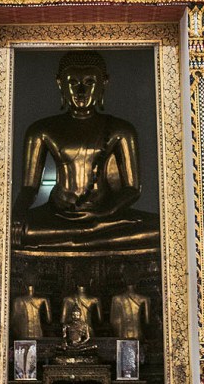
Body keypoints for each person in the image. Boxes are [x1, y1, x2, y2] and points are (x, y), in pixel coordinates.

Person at [11, 50, 160, 251]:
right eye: (73, 83)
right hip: (58, 217)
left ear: (104, 84)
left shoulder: (121, 130)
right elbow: (29, 188)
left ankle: (80, 238)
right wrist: (17, 216)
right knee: (21, 232)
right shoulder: (41, 130)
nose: (81, 91)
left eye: (90, 82)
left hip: (106, 216)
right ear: (60, 84)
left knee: (160, 229)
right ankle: (81, 239)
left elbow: (132, 189)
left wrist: (103, 213)